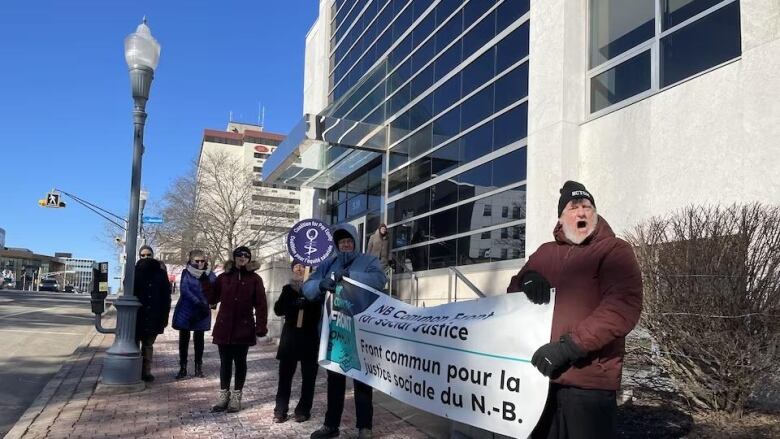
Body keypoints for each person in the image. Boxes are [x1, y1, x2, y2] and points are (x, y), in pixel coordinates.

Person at [506, 181, 643, 439]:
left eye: (587, 207)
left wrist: (569, 347)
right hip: (541, 381)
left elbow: (622, 306)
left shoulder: (614, 250)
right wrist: (527, 280)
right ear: (561, 217)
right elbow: (511, 293)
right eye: (574, 207)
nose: (582, 213)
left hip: (588, 385)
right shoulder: (545, 253)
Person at [304, 223, 387, 439]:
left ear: (355, 242)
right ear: (337, 245)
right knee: (335, 381)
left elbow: (380, 280)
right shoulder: (327, 264)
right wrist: (321, 285)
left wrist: (350, 275)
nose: (346, 245)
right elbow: (308, 288)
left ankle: (364, 427)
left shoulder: (368, 261)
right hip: (335, 333)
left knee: (362, 380)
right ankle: (331, 425)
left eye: (349, 241)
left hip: (360, 332)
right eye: (342, 242)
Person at [207, 246, 268, 413]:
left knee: (240, 362)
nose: (242, 257)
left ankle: (236, 396)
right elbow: (212, 298)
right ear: (234, 257)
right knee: (225, 362)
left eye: (246, 255)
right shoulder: (223, 277)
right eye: (239, 255)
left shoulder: (255, 279)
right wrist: (205, 281)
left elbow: (261, 304)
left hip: (244, 326)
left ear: (249, 259)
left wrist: (261, 325)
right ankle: (223, 395)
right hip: (224, 326)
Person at [272, 261, 322, 424]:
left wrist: (308, 301)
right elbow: (278, 310)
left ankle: (303, 410)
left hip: (309, 337)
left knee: (309, 377)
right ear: (292, 268)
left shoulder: (316, 289)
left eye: (303, 266)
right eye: (297, 266)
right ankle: (280, 410)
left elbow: (319, 313)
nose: (300, 269)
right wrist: (293, 305)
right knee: (285, 376)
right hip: (290, 337)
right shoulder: (288, 289)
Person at [172, 249, 216, 379]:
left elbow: (216, 289)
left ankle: (198, 367)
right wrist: (199, 302)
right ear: (191, 260)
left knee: (199, 340)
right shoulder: (186, 273)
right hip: (187, 310)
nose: (200, 263)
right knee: (184, 340)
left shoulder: (210, 274)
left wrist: (211, 302)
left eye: (203, 260)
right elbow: (185, 290)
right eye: (197, 261)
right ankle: (183, 367)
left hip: (202, 312)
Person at [134, 245, 172, 382]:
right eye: (142, 255)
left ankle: (146, 372)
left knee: (148, 345)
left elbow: (166, 297)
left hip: (154, 315)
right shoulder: (134, 271)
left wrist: (164, 317)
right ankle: (134, 371)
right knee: (133, 344)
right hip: (137, 315)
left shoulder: (160, 273)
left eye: (148, 255)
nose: (145, 257)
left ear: (153, 255)